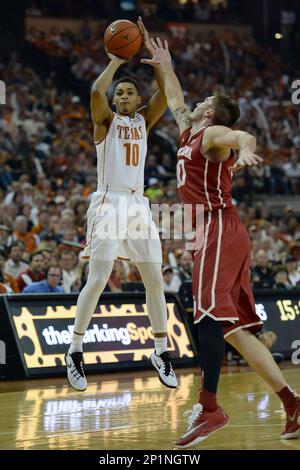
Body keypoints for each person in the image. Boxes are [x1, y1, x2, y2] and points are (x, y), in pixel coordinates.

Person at [142, 37, 300, 447]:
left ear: (210, 111)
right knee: (234, 330)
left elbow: (240, 136)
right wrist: (165, 64)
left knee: (207, 316)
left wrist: (246, 149)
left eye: (204, 99)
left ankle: (210, 408)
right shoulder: (189, 132)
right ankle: (292, 402)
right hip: (211, 232)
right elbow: (176, 98)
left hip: (218, 227)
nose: (194, 102)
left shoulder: (212, 134)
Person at [65, 19, 177, 392]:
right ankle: (76, 349)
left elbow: (166, 97)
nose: (125, 95)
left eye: (130, 91)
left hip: (138, 204)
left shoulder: (144, 121)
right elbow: (96, 91)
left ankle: (160, 350)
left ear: (138, 100)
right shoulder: (105, 122)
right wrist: (115, 60)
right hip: (109, 201)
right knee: (97, 279)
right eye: (121, 92)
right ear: (115, 101)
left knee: (154, 280)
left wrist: (154, 59)